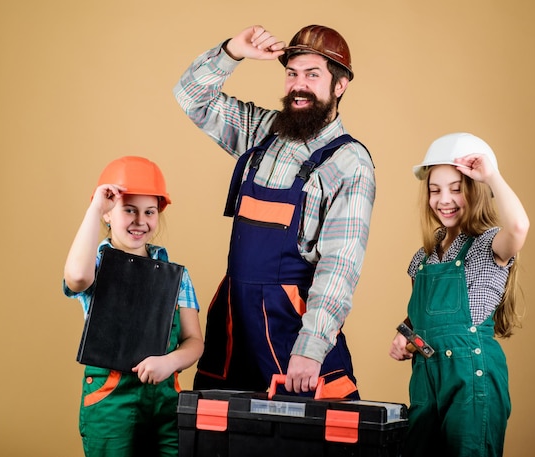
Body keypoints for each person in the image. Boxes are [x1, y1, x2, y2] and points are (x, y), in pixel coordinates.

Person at [173, 25, 376, 399]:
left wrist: (311, 348)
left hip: (291, 335)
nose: (299, 85)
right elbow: (191, 97)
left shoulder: (350, 163)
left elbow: (340, 266)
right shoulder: (261, 132)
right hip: (234, 324)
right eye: (292, 73)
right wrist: (233, 50)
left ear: (340, 85)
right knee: (222, 437)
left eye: (313, 75)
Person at [389, 132, 530, 456]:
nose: (444, 199)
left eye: (456, 189)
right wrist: (405, 334)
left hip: (471, 379)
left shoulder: (489, 245)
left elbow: (519, 227)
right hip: (427, 378)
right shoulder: (422, 259)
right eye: (435, 190)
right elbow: (423, 317)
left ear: (477, 192)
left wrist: (491, 175)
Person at [63, 156, 204, 456]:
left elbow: (194, 341)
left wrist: (169, 362)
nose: (141, 221)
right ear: (108, 215)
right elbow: (76, 277)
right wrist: (95, 208)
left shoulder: (176, 276)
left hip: (167, 404)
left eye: (149, 212)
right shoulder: (97, 265)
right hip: (110, 402)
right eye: (129, 210)